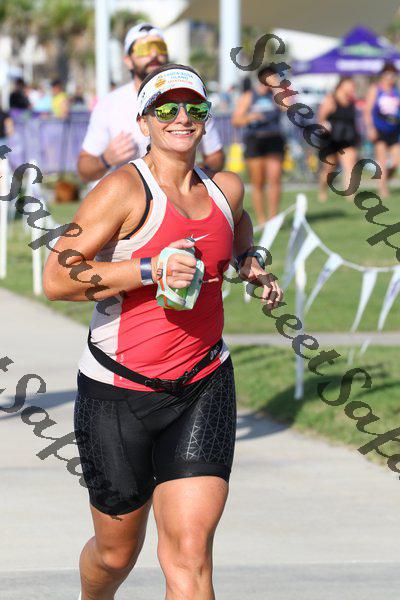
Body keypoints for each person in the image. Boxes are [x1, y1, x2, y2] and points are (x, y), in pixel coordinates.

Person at [43, 63, 282, 600]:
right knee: (115, 554)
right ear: (144, 122)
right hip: (118, 392)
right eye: (166, 108)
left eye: (194, 108)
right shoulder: (123, 189)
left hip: (203, 385)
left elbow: (236, 225)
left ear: (207, 119)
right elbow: (57, 277)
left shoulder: (225, 188)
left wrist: (249, 260)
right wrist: (150, 269)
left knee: (190, 554)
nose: (181, 118)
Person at [77, 22, 224, 184]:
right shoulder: (109, 104)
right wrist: (105, 159)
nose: (154, 54)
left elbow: (215, 155)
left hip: (174, 196)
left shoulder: (192, 100)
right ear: (128, 60)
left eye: (160, 47)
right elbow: (84, 171)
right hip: (124, 196)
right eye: (144, 49)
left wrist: (193, 175)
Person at [232, 65, 286, 223]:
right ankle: (262, 219)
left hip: (274, 139)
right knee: (258, 181)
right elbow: (236, 120)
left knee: (275, 178)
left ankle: (273, 218)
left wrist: (276, 88)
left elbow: (286, 107)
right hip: (255, 140)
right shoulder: (249, 96)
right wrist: (250, 117)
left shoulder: (276, 94)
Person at [317, 77, 360, 202]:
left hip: (347, 139)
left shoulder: (352, 102)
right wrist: (324, 125)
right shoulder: (330, 99)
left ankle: (350, 197)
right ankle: (322, 190)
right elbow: (320, 118)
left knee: (350, 166)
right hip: (330, 139)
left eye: (353, 85)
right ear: (341, 86)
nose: (352, 88)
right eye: (349, 85)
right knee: (329, 169)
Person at [364, 62, 400, 198]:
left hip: (394, 130)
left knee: (396, 161)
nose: (391, 77)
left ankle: (385, 181)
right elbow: (367, 111)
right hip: (379, 130)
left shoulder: (396, 91)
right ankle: (382, 190)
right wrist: (370, 128)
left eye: (393, 74)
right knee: (382, 160)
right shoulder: (376, 89)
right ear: (383, 75)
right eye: (388, 74)